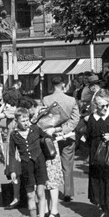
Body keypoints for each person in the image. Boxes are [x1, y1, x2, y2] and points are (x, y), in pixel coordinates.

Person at [8, 107, 48, 217]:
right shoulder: (14, 135)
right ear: (17, 121)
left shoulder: (35, 129)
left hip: (40, 164)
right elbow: (12, 154)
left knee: (40, 193)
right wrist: (13, 170)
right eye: (23, 120)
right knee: (30, 195)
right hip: (26, 166)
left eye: (27, 120)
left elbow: (46, 138)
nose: (26, 123)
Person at [42, 76, 80, 207]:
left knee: (51, 163)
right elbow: (75, 119)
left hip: (51, 136)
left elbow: (44, 119)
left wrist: (54, 129)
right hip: (68, 136)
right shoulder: (71, 100)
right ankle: (68, 192)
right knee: (67, 164)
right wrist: (64, 130)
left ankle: (51, 188)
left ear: (52, 85)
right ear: (63, 84)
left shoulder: (46, 99)